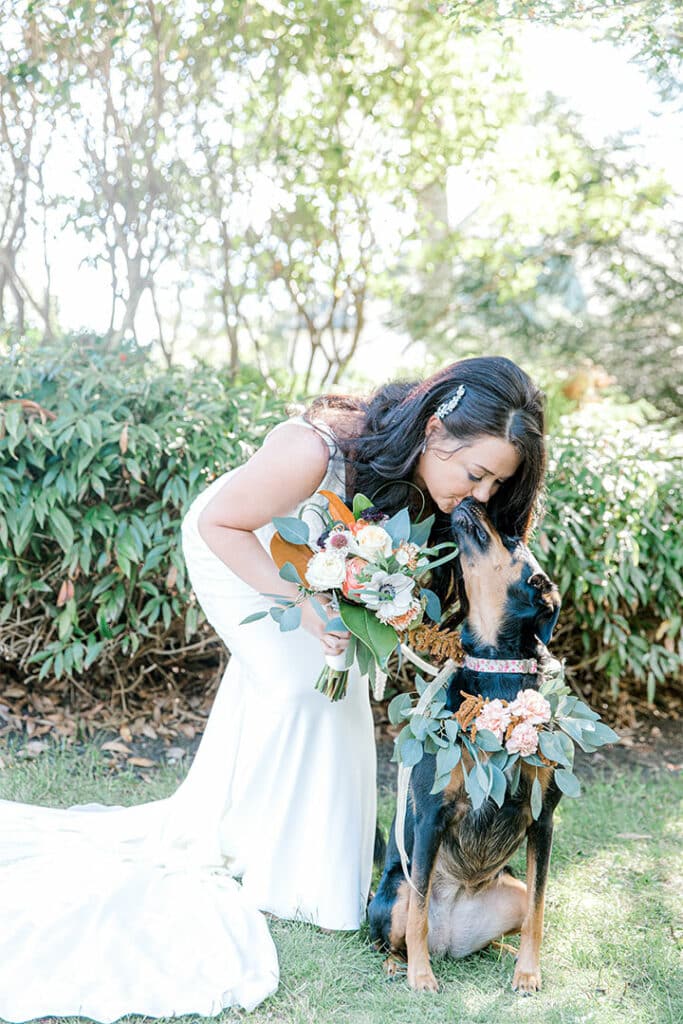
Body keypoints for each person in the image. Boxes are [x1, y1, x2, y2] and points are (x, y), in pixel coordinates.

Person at [0, 355, 546, 1021]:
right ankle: (290, 870)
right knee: (300, 690)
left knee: (335, 686)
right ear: (434, 429)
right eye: (477, 473)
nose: (485, 493)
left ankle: (284, 846)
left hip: (315, 567)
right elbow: (218, 526)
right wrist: (304, 600)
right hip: (239, 547)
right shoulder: (311, 452)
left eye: (497, 481)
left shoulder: (422, 486)